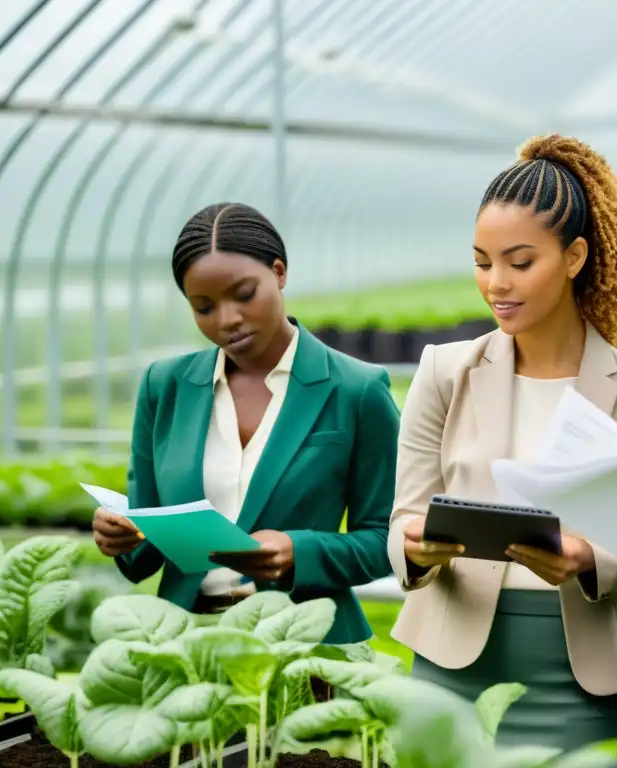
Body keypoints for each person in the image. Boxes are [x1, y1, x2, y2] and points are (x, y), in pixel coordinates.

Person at [387, 134, 617, 751]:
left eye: (520, 263)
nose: (496, 283)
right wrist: (416, 548)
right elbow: (405, 518)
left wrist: (587, 560)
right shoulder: (443, 373)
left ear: (574, 257)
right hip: (452, 664)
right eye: (481, 261)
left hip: (579, 679)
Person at [91, 202, 399, 644]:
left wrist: (302, 552)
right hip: (183, 644)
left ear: (279, 272)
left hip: (307, 645)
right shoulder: (166, 386)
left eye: (243, 294)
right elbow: (143, 551)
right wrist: (123, 534)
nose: (226, 319)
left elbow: (387, 540)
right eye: (203, 307)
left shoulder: (356, 389)